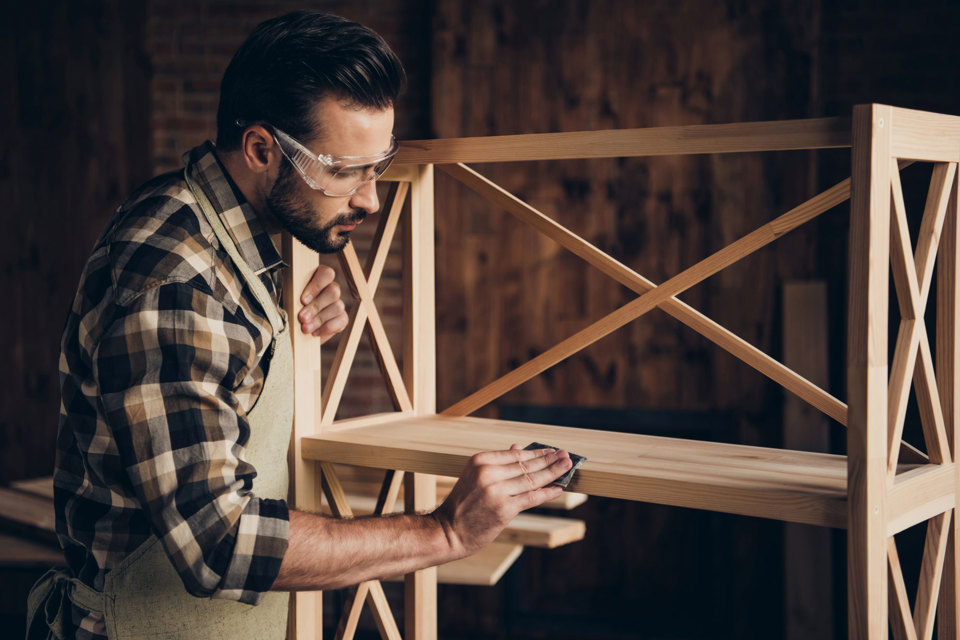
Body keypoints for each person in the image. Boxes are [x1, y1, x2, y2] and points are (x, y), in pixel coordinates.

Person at [27, 10, 572, 640]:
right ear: (262, 149)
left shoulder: (227, 229)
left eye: (379, 166)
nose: (369, 197)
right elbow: (219, 542)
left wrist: (286, 317)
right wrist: (443, 531)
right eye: (344, 171)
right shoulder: (177, 280)